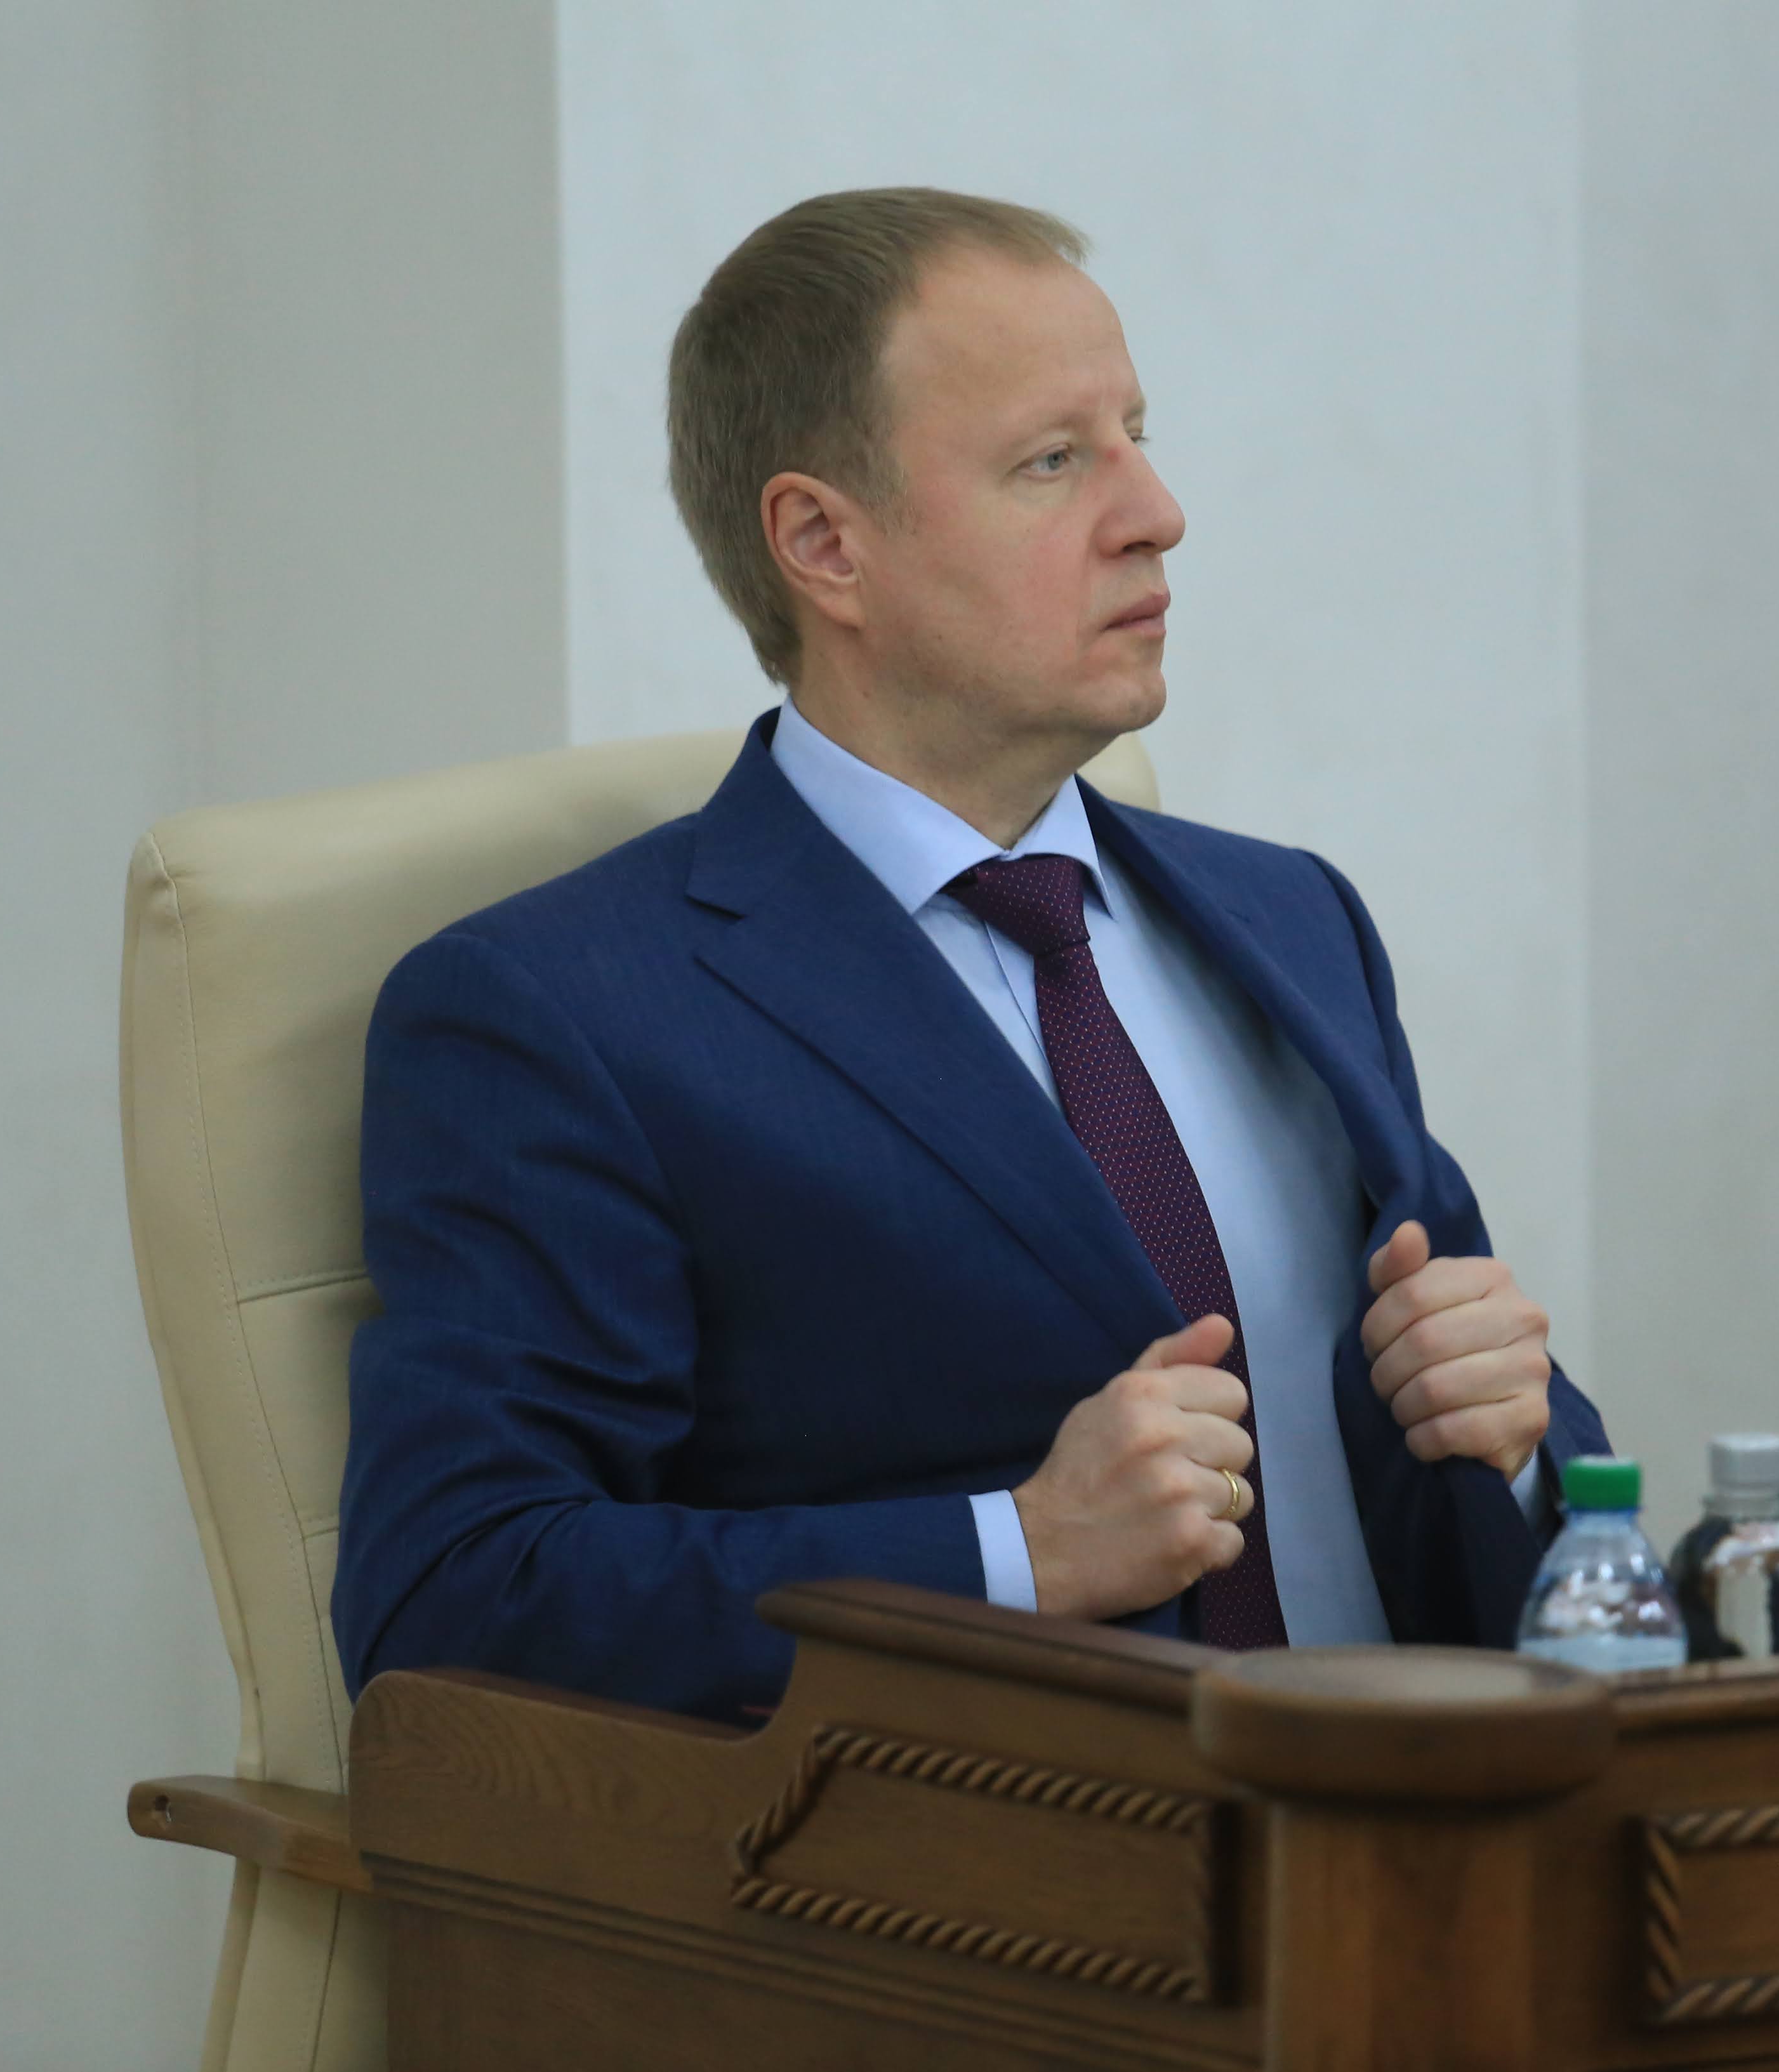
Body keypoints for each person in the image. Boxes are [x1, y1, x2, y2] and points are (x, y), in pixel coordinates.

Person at [333, 188, 1606, 1722]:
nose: (1155, 512)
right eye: (1052, 461)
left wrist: (1514, 1448)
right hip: (1007, 1853)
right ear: (824, 545)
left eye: (1136, 434)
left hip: (1440, 1814)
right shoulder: (557, 1012)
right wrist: (1018, 1551)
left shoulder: (1296, 919)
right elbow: (452, 1590)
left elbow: (1479, 1452)